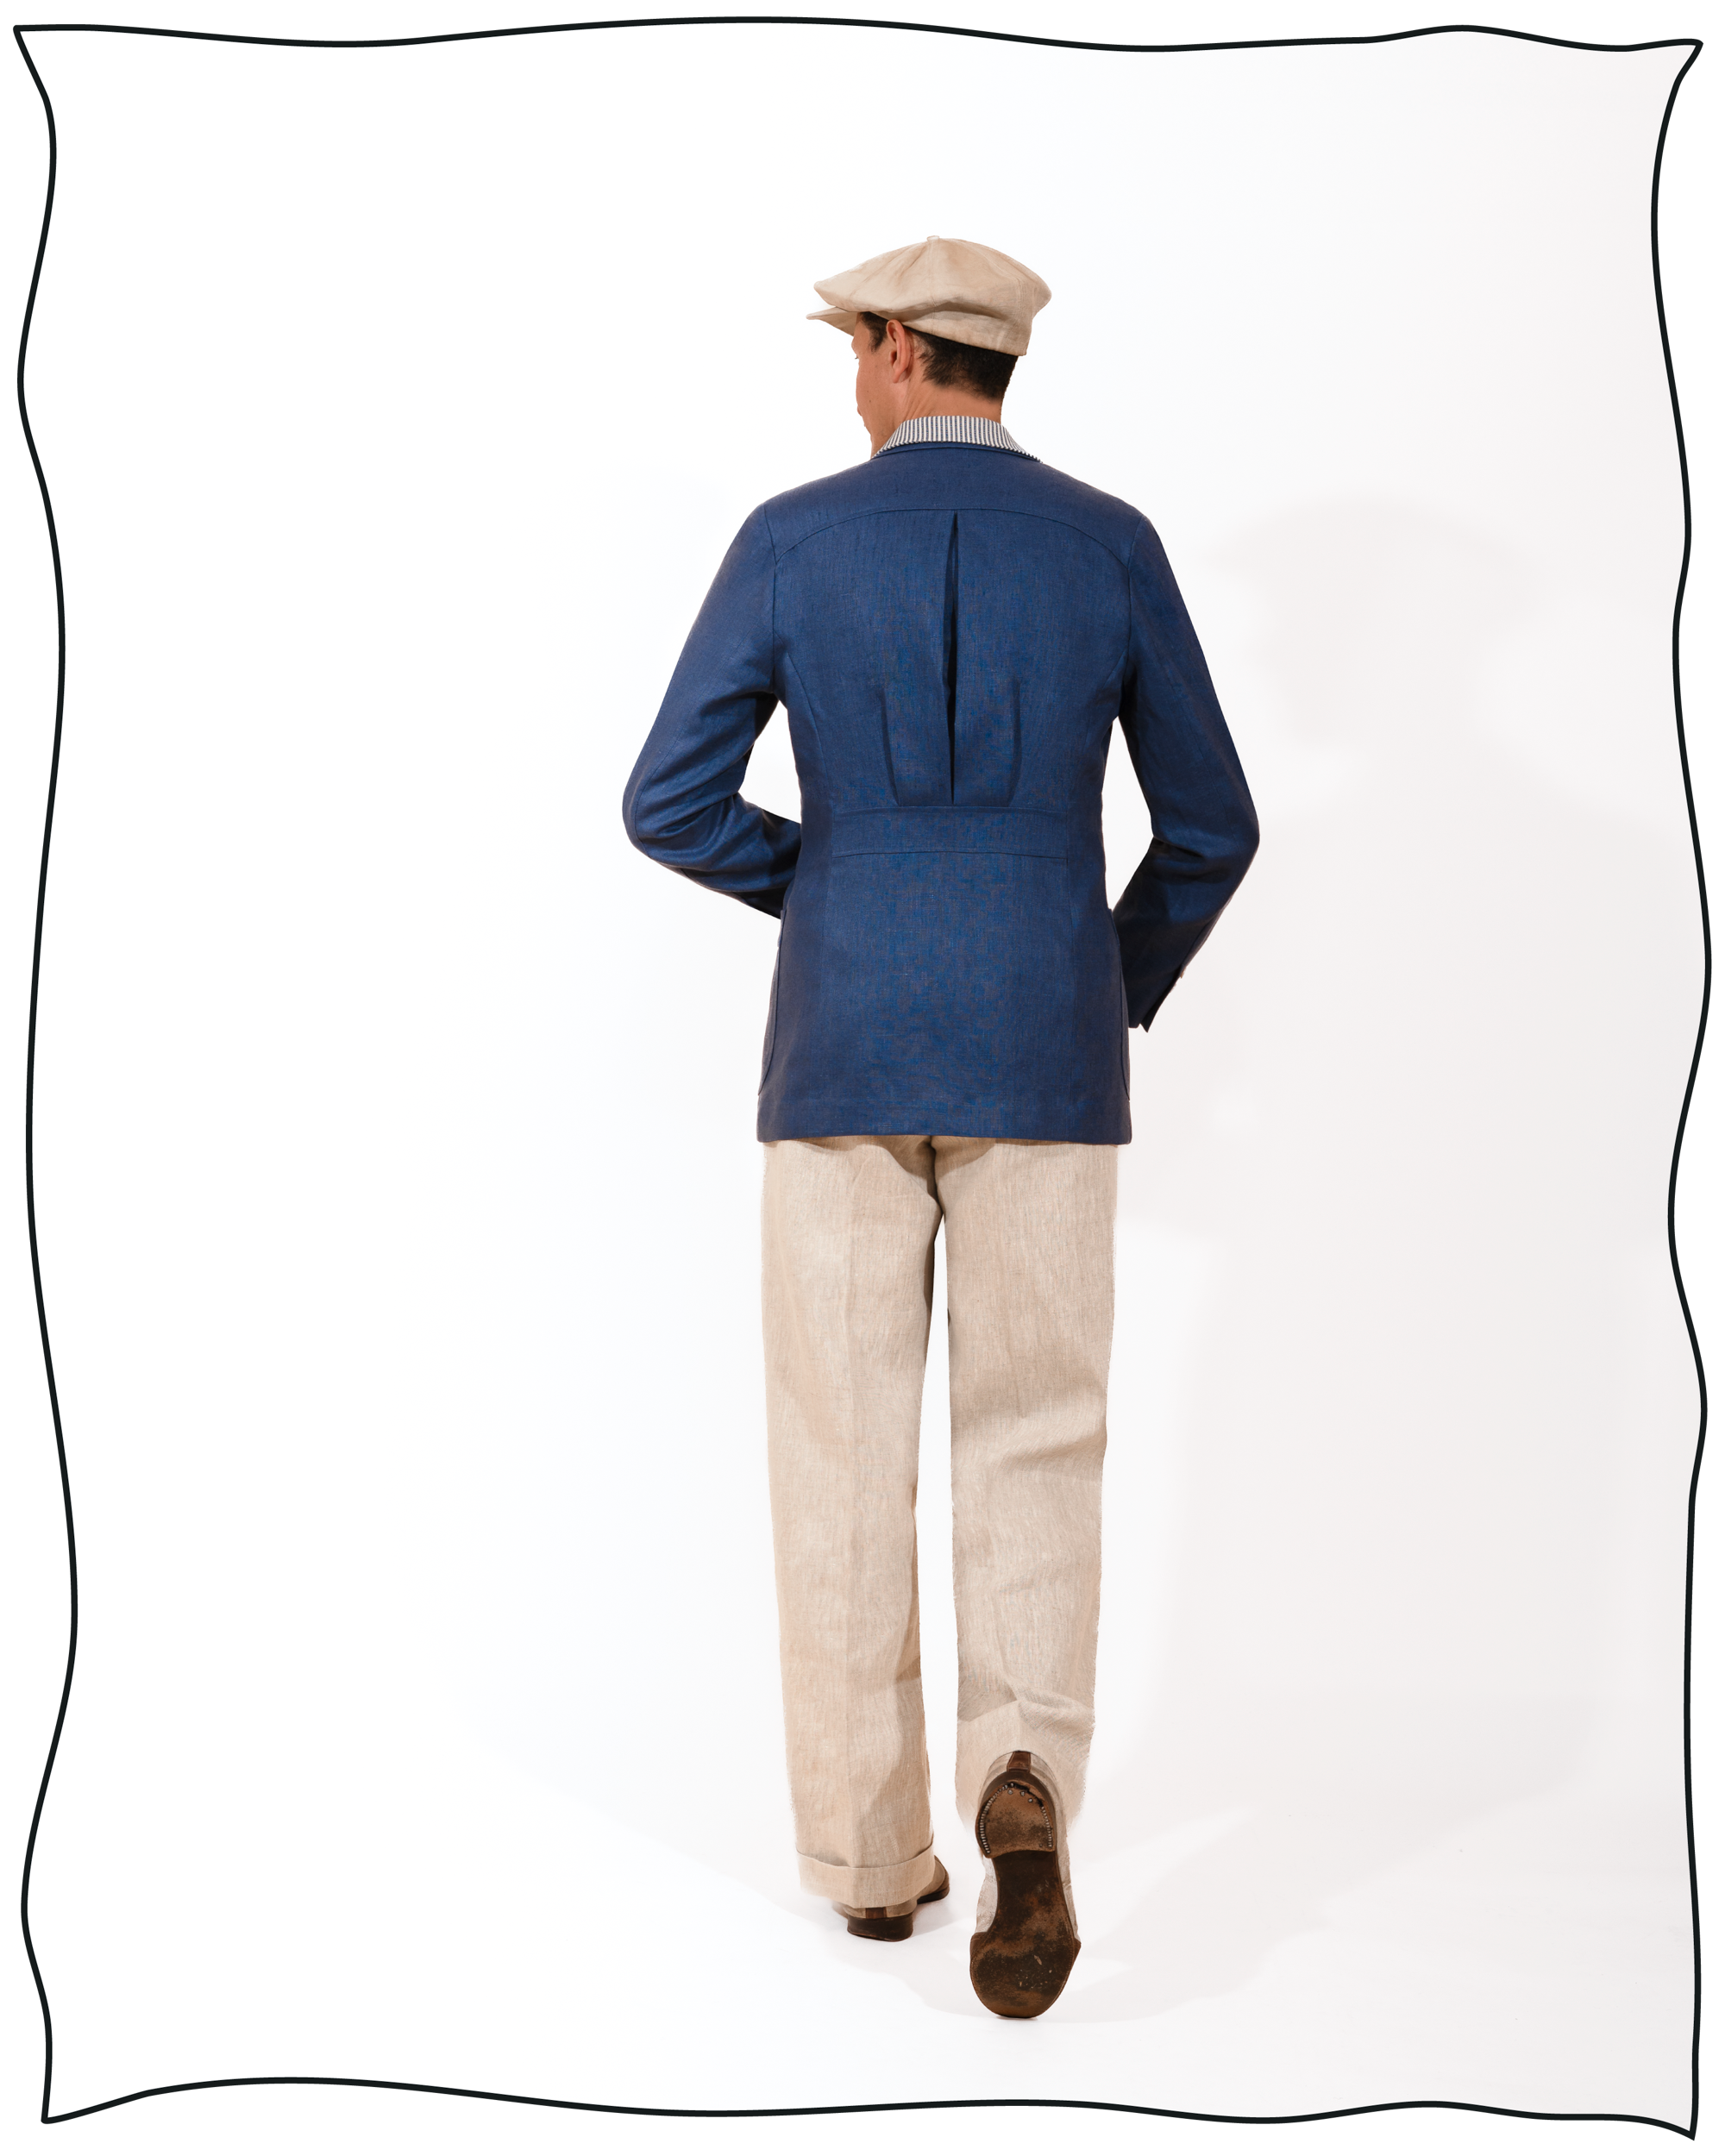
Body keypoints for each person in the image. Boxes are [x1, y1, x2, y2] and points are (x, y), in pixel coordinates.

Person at [623, 235, 1258, 2018]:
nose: (851, 376)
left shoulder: (790, 539)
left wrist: (834, 886)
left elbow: (667, 798)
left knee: (840, 1451)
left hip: (841, 1054)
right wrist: (1099, 971)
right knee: (1034, 1434)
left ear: (900, 349)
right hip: (1045, 1053)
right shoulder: (1111, 543)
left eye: (854, 348)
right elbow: (1212, 825)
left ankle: (871, 1860)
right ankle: (1021, 1780)